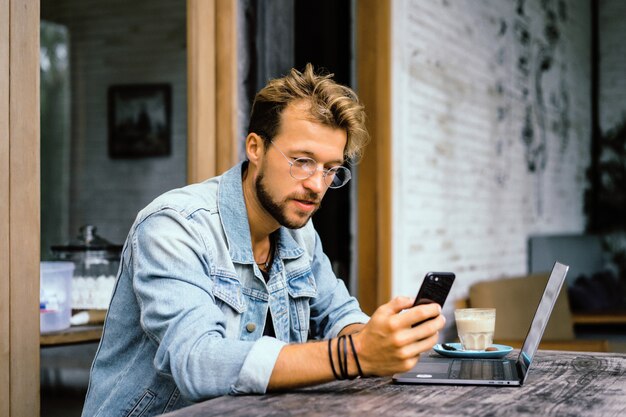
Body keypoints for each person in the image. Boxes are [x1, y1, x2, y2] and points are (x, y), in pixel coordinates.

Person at [81, 64, 445, 417]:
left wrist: (382, 339)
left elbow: (337, 314)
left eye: (330, 169)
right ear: (255, 148)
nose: (317, 185)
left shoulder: (298, 232)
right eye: (302, 161)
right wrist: (356, 354)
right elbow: (197, 360)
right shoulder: (174, 226)